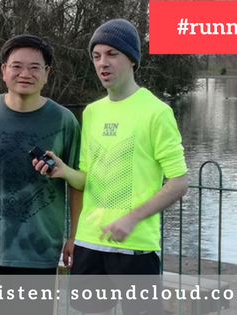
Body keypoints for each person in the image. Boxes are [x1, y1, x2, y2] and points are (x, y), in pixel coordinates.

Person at [33, 19, 189, 315]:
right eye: (96, 56)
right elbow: (86, 179)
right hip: (89, 244)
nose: (102, 63)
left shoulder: (157, 112)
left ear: (132, 59)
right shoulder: (91, 112)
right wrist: (65, 171)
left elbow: (179, 182)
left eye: (112, 54)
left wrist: (131, 219)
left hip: (135, 248)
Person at [0, 34, 81, 277]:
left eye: (34, 67)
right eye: (17, 66)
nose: (25, 74)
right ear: (3, 71)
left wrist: (75, 236)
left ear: (46, 74)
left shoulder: (64, 121)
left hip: (38, 252)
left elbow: (78, 184)